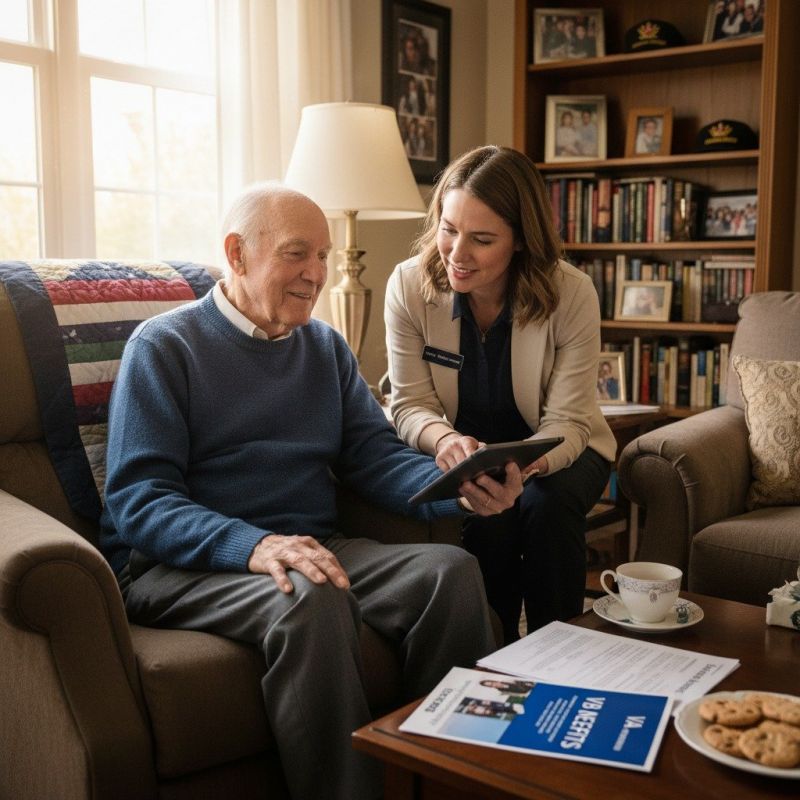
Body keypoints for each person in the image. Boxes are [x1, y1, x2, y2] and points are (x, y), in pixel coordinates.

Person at [99, 183, 524, 800]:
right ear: (237, 254)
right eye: (298, 254)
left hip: (312, 545)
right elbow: (140, 500)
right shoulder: (165, 347)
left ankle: (454, 780)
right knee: (310, 594)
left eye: (323, 256)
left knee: (450, 573)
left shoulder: (323, 347)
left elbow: (372, 456)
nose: (316, 274)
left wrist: (457, 487)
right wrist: (256, 545)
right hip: (179, 565)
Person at [384, 146, 616, 646]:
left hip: (560, 451)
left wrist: (523, 469)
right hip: (466, 450)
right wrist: (444, 442)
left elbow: (569, 423)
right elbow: (408, 405)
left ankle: (562, 648)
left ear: (520, 241)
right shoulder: (408, 286)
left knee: (544, 507)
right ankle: (496, 652)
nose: (457, 254)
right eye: (449, 229)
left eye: (482, 239)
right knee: (488, 518)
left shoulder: (571, 293)